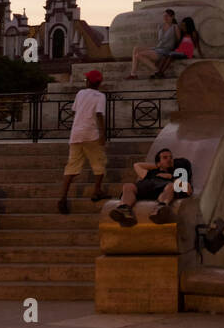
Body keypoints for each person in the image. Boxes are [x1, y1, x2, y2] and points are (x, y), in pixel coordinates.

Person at [57, 69, 107, 214]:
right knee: (99, 162)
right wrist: (103, 133)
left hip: (76, 134)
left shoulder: (80, 93)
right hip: (90, 134)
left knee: (71, 167)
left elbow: (74, 111)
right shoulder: (100, 96)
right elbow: (99, 114)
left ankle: (63, 197)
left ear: (88, 82)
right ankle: (97, 190)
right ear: (99, 83)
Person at [110, 148, 193, 227]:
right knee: (128, 186)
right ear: (158, 163)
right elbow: (136, 165)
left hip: (162, 190)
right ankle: (124, 209)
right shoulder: (150, 173)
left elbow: (188, 190)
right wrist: (158, 166)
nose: (169, 159)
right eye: (165, 157)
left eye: (171, 157)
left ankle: (160, 209)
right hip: (145, 188)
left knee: (170, 186)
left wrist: (171, 177)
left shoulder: (175, 175)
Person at [129, 10, 180, 80]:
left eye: (167, 16)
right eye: (164, 16)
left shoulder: (175, 27)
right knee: (136, 48)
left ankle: (157, 71)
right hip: (158, 48)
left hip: (165, 50)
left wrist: (175, 51)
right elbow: (160, 40)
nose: (165, 17)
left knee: (138, 55)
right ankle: (133, 74)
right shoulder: (160, 26)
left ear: (172, 17)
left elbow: (178, 40)